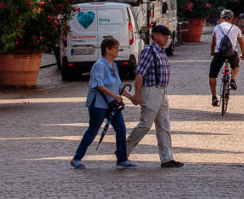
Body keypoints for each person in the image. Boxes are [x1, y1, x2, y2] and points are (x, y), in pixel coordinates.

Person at [70, 36, 135, 169]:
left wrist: (131, 97)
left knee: (121, 129)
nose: (118, 50)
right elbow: (98, 85)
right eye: (115, 48)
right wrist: (114, 96)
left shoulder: (114, 65)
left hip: (112, 104)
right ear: (107, 49)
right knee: (93, 130)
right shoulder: (99, 65)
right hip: (98, 104)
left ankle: (122, 159)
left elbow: (118, 86)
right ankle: (77, 158)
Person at [126, 25, 184, 168]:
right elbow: (139, 74)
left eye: (168, 36)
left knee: (164, 125)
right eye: (164, 35)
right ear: (156, 35)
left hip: (162, 91)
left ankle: (166, 158)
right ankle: (123, 151)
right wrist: (137, 94)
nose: (166, 38)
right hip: (151, 90)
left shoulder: (162, 52)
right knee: (145, 124)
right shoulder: (149, 51)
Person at [209, 9, 244, 104]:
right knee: (235, 66)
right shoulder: (236, 28)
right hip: (232, 53)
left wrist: (212, 52)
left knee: (212, 75)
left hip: (219, 54)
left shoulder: (216, 28)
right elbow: (241, 43)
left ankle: (214, 96)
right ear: (232, 18)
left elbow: (213, 43)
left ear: (221, 18)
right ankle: (233, 80)